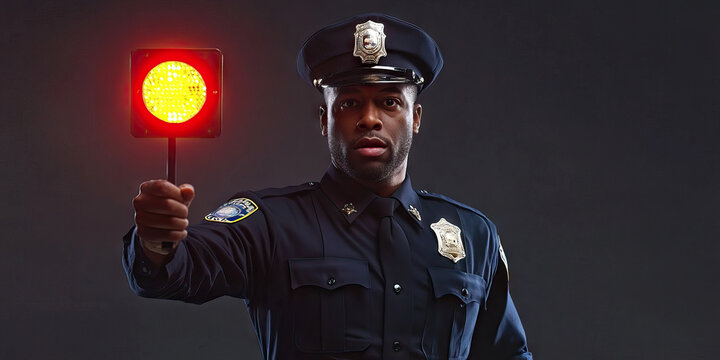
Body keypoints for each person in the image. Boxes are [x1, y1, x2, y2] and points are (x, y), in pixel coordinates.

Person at [123, 13, 533, 360]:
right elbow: (175, 273)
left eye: (390, 102)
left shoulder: (473, 234)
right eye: (350, 103)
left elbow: (507, 353)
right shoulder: (270, 222)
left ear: (416, 118)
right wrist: (159, 240)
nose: (370, 119)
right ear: (325, 120)